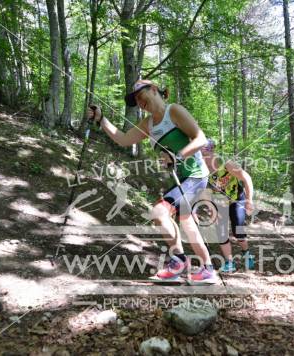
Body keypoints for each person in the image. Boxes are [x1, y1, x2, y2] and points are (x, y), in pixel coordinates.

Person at [88, 79, 217, 283]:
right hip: (182, 178)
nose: (139, 102)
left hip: (196, 175)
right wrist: (101, 119)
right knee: (186, 222)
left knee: (159, 211)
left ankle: (178, 262)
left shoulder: (173, 111)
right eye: (136, 100)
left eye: (141, 96)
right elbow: (123, 139)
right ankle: (208, 269)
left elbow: (201, 139)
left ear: (154, 90)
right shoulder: (148, 124)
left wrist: (178, 156)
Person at [200, 139, 255, 272]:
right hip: (219, 201)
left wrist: (249, 200)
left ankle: (246, 253)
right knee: (222, 232)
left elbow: (246, 178)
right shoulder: (199, 166)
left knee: (238, 231)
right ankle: (229, 262)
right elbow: (203, 188)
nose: (200, 152)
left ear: (211, 149)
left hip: (237, 199)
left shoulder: (226, 163)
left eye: (203, 149)